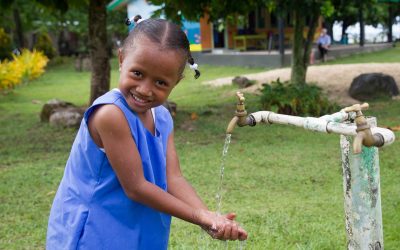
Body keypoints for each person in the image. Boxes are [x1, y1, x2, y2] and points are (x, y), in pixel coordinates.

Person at [46, 15, 247, 249]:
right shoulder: (110, 114)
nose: (145, 90)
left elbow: (173, 178)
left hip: (137, 229)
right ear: (122, 59)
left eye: (161, 83)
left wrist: (208, 216)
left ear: (176, 82)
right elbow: (136, 187)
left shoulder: (161, 116)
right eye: (138, 74)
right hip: (95, 231)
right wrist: (200, 217)